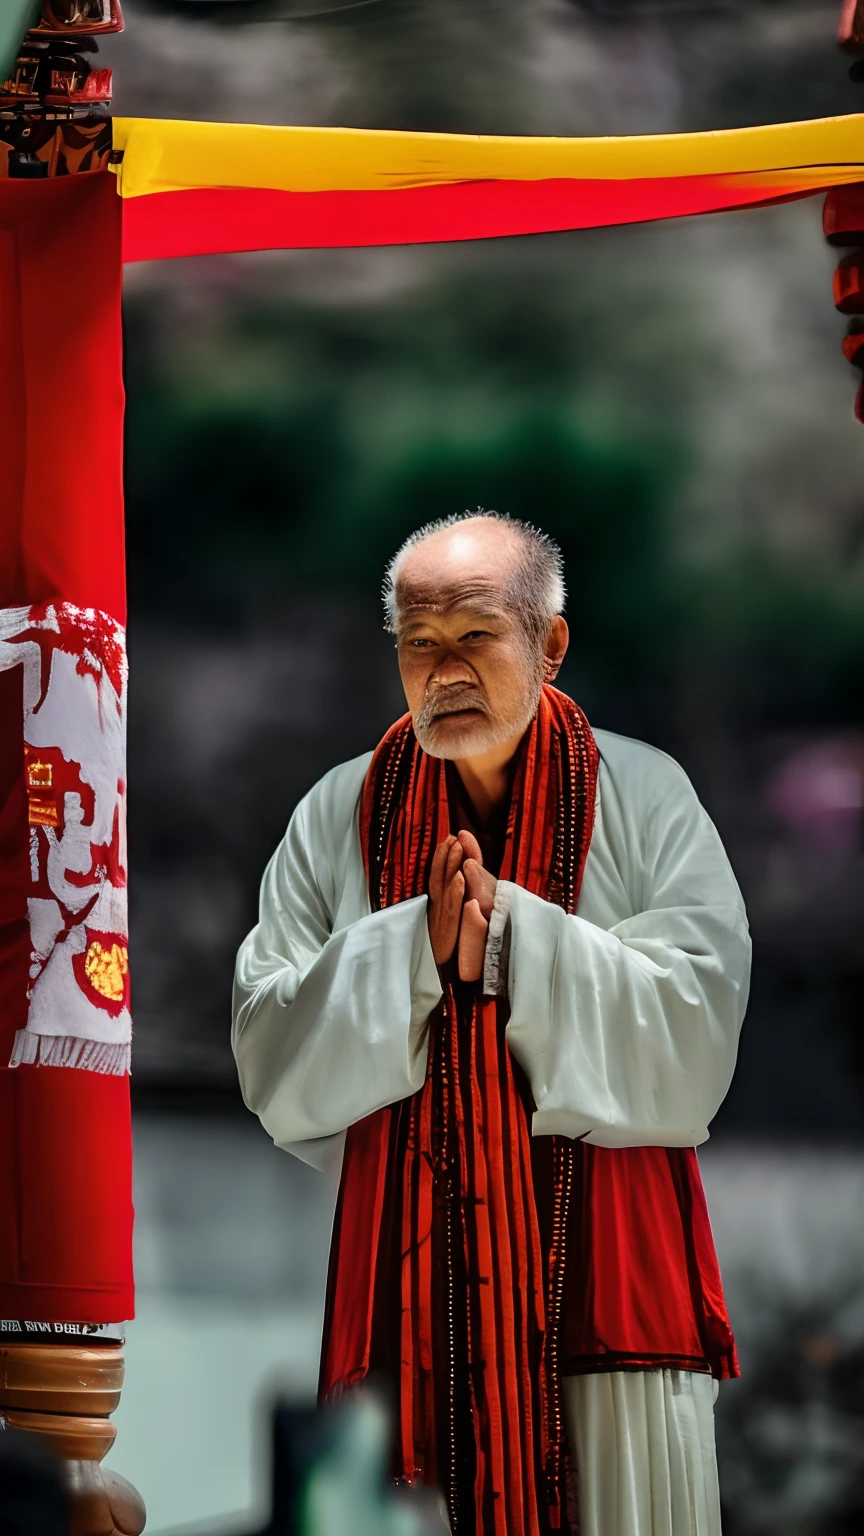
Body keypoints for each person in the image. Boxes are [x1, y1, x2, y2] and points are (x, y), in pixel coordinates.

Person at [232, 511, 751, 1536]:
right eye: (419, 644)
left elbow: (697, 1044)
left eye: (475, 635)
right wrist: (411, 953)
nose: (444, 670)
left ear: (550, 644)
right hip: (399, 1303)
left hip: (605, 1293)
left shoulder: (645, 796)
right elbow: (270, 1062)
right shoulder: (339, 813)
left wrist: (512, 938)